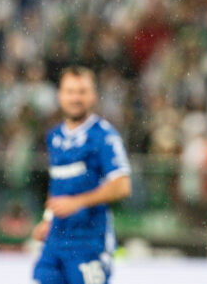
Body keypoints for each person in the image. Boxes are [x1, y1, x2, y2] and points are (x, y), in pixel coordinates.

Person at [32, 66, 132, 284]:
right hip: (56, 241)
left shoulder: (104, 136)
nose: (75, 98)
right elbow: (59, 184)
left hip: (89, 244)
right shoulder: (54, 136)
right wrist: (47, 219)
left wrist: (76, 203)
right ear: (60, 95)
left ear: (93, 96)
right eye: (70, 91)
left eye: (82, 91)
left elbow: (122, 185)